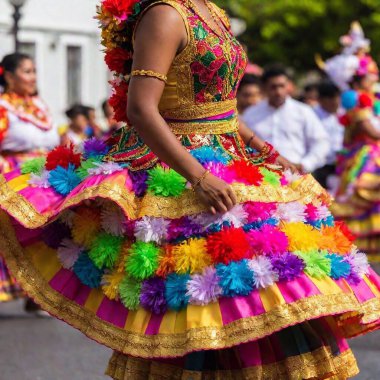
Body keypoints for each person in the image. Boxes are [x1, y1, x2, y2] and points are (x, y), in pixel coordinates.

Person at [0, 2, 379, 378]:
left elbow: (224, 109)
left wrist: (268, 152)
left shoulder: (213, 12)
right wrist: (198, 176)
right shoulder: (165, 14)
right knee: (205, 304)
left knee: (282, 288)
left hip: (234, 164)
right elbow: (142, 109)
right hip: (185, 173)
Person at [0, 52, 59, 308]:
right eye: (26, 71)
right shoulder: (3, 107)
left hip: (41, 180)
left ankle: (37, 294)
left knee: (43, 235)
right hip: (12, 177)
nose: (32, 77)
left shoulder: (40, 106)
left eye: (34, 70)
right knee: (12, 236)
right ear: (10, 76)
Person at [323, 22, 380, 262]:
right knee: (364, 197)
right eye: (370, 74)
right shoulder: (355, 100)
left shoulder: (369, 97)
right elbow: (372, 131)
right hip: (366, 156)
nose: (374, 76)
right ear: (358, 79)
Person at [242, 65, 330, 173]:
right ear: (264, 88)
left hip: (296, 175)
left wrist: (305, 164)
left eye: (282, 86)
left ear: (288, 86)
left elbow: (321, 142)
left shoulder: (303, 111)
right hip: (261, 176)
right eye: (273, 87)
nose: (278, 92)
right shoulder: (250, 114)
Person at [313, 81, 344, 188]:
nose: (337, 103)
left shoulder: (343, 112)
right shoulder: (312, 115)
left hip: (343, 162)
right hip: (322, 165)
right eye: (333, 101)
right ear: (322, 100)